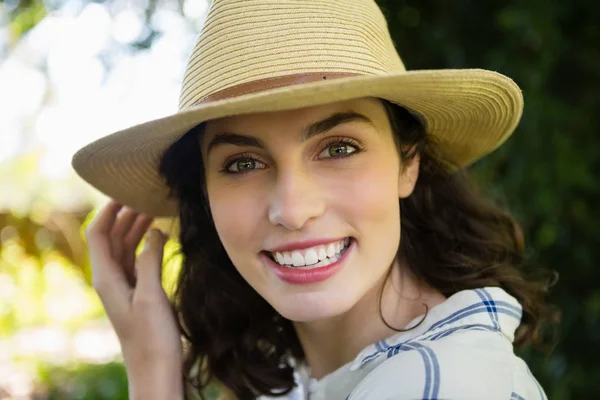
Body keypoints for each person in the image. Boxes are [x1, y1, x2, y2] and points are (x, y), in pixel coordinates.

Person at [72, 0, 558, 399]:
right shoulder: (305, 376)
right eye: (242, 163)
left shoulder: (445, 386)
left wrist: (152, 378)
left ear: (408, 163)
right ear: (204, 193)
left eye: (339, 148)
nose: (293, 208)